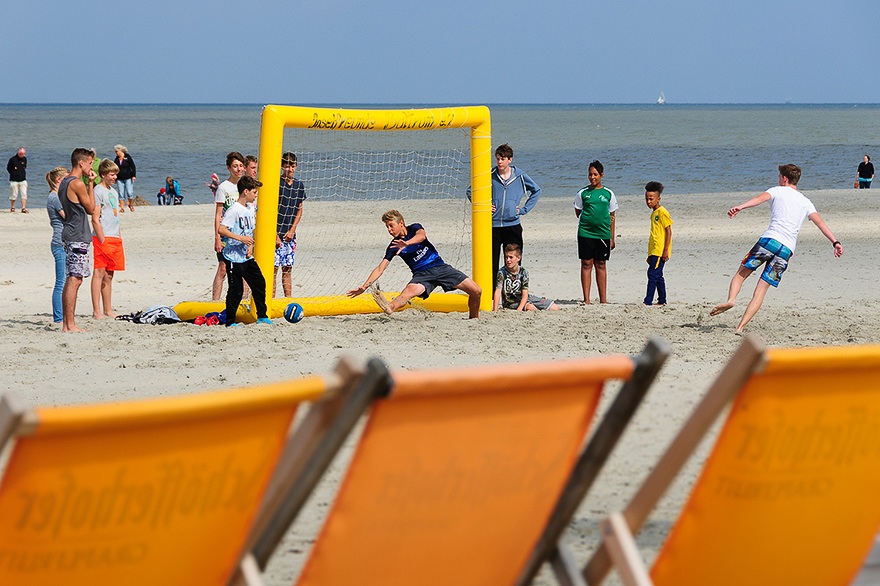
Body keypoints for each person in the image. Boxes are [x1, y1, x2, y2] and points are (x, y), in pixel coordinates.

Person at [710, 164, 844, 332]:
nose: (778, 179)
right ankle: (740, 327)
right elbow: (820, 223)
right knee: (761, 291)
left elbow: (758, 200)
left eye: (779, 176)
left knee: (741, 274)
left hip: (769, 242)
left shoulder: (777, 190)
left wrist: (740, 207)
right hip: (786, 250)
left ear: (784, 178)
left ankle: (731, 300)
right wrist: (835, 242)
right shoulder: (806, 202)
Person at [347, 210, 482, 319]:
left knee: (476, 291)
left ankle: (473, 320)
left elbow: (422, 236)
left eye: (391, 226)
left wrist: (407, 243)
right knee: (409, 291)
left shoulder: (415, 228)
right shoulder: (393, 246)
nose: (389, 230)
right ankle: (389, 307)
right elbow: (380, 268)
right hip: (422, 274)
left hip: (440, 267)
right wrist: (364, 287)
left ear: (401, 223)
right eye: (387, 227)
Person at [468, 143, 541, 290]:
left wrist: (523, 209)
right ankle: (492, 297)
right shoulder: (489, 175)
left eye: (503, 159)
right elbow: (471, 191)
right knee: (491, 264)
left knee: (513, 264)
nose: (500, 162)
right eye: (497, 159)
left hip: (513, 226)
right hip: (493, 227)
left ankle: (514, 295)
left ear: (510, 159)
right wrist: (484, 206)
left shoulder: (520, 176)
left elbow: (536, 191)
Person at [218, 176, 272, 327]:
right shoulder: (234, 210)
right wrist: (241, 239)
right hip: (233, 258)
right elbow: (221, 229)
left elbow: (250, 229)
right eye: (254, 192)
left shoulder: (251, 207)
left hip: (246, 256)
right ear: (245, 192)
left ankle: (262, 316)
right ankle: (230, 322)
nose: (256, 195)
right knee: (236, 290)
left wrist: (249, 245)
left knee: (260, 283)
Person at [60, 148, 97, 333]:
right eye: (90, 162)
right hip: (77, 236)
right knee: (75, 280)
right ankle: (70, 325)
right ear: (81, 163)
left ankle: (68, 324)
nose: (92, 166)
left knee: (71, 279)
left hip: (70, 233)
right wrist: (90, 183)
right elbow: (90, 208)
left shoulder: (65, 182)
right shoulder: (77, 184)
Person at [574, 160, 618, 304]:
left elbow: (612, 216)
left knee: (601, 264)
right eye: (590, 174)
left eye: (595, 174)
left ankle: (603, 300)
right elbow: (578, 211)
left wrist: (612, 238)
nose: (592, 177)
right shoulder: (582, 193)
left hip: (603, 234)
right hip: (585, 233)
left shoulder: (608, 193)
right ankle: (586, 300)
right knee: (586, 264)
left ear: (601, 175)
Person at [90, 159, 125, 319]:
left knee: (110, 274)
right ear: (103, 175)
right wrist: (102, 239)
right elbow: (95, 218)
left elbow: (114, 216)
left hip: (114, 236)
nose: (115, 177)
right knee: (99, 272)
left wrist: (118, 236)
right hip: (102, 237)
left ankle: (108, 309)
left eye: (116, 174)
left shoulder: (113, 191)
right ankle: (96, 311)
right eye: (112, 174)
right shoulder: (98, 191)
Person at [212, 151, 246, 301]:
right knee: (223, 269)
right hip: (226, 234)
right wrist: (217, 238)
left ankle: (242, 301)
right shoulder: (224, 187)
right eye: (235, 166)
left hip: (243, 234)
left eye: (240, 166)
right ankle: (215, 301)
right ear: (228, 168)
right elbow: (218, 214)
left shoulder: (246, 185)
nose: (238, 169)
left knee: (244, 269)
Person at [274, 152, 306, 297]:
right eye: (287, 166)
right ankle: (271, 300)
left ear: (296, 166)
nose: (290, 169)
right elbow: (271, 209)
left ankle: (288, 299)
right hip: (275, 233)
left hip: (290, 234)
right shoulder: (276, 184)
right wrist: (274, 234)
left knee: (287, 269)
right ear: (282, 167)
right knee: (272, 270)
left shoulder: (299, 185)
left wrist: (292, 230)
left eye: (292, 166)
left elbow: (299, 209)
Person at [493, 243, 559, 311]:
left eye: (511, 257)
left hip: (526, 298)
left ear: (518, 258)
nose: (508, 260)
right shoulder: (502, 272)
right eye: (506, 257)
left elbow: (525, 295)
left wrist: (519, 309)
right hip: (511, 302)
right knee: (531, 308)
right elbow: (498, 292)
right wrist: (495, 310)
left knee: (555, 307)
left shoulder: (523, 272)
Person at [46, 166, 69, 323]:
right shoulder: (54, 197)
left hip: (62, 242)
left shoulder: (56, 196)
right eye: (66, 179)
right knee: (60, 282)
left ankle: (64, 315)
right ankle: (59, 318)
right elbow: (67, 216)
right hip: (59, 243)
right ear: (59, 180)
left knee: (66, 281)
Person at [644, 181, 673, 306]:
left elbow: (668, 232)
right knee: (658, 276)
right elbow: (654, 235)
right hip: (654, 250)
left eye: (651, 199)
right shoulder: (653, 213)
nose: (648, 202)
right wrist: (649, 254)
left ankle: (648, 301)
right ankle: (662, 301)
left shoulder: (662, 212)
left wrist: (665, 250)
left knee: (652, 275)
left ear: (658, 199)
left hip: (660, 250)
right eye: (647, 199)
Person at [114, 145, 136, 212]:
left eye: (116, 151)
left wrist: (133, 175)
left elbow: (133, 166)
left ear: (120, 151)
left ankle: (130, 204)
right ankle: (122, 208)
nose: (116, 153)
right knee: (121, 193)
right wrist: (114, 178)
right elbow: (114, 168)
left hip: (128, 178)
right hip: (119, 178)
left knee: (129, 192)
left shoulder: (127, 157)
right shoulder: (116, 159)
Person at [7, 147, 27, 213]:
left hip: (23, 180)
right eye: (21, 154)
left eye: (23, 154)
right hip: (14, 180)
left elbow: (25, 167)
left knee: (24, 194)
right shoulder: (12, 159)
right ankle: (12, 207)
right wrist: (13, 174)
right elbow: (8, 168)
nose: (22, 155)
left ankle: (23, 208)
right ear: (18, 153)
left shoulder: (24, 159)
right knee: (13, 194)